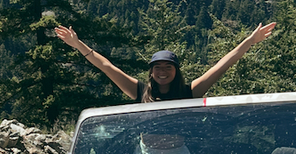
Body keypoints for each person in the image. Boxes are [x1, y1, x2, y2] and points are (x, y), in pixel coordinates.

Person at [54, 22, 277, 102]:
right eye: (157, 67)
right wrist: (78, 44)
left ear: (176, 71)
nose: (162, 71)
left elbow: (222, 66)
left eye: (168, 67)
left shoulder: (190, 92)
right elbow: (107, 67)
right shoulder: (139, 91)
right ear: (151, 72)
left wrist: (250, 41)